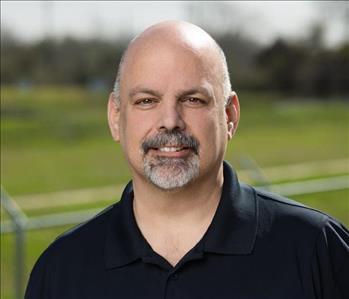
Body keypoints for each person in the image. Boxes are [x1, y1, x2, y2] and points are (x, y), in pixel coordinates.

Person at [25, 20, 348, 299]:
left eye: (193, 99)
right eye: (146, 100)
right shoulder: (61, 270)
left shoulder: (315, 248)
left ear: (230, 115)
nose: (170, 120)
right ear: (115, 117)